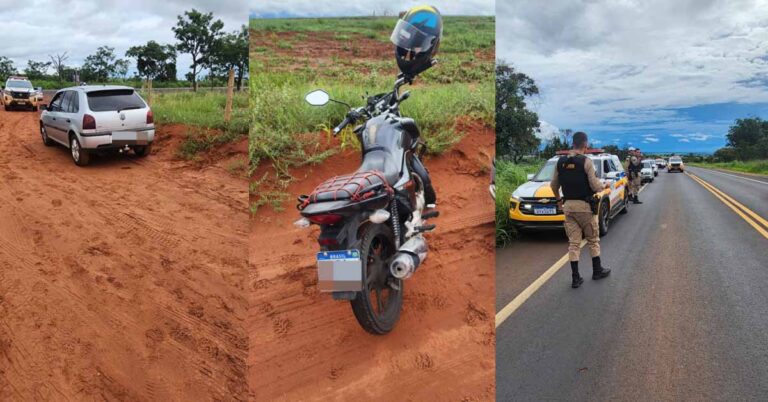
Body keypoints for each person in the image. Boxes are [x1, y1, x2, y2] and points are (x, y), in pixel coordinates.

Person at [550, 132, 612, 288]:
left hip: (568, 207)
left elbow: (553, 185)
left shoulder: (560, 162)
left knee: (574, 243)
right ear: (585, 145)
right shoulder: (586, 162)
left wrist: (559, 201)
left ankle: (575, 278)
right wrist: (605, 186)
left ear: (573, 144)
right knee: (593, 240)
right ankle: (597, 271)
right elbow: (595, 186)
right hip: (585, 208)